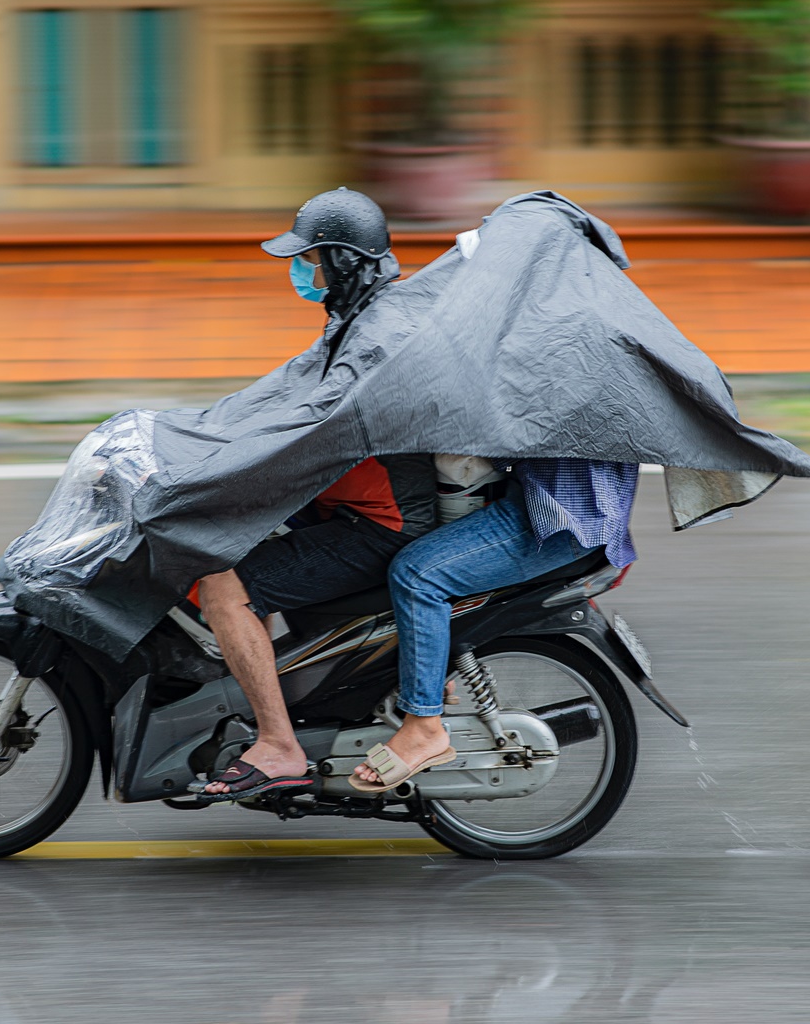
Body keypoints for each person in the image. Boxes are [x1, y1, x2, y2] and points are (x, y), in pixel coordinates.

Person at [194, 189, 441, 800]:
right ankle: (279, 694)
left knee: (225, 585)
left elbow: (317, 430)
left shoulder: (378, 335)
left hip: (381, 522)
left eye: (310, 260)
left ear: (343, 263)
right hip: (346, 502)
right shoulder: (358, 318)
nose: (300, 272)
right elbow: (285, 397)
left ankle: (279, 744)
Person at [350, 457, 641, 792]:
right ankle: (425, 674)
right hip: (561, 503)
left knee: (416, 575)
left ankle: (423, 727)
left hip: (556, 516)